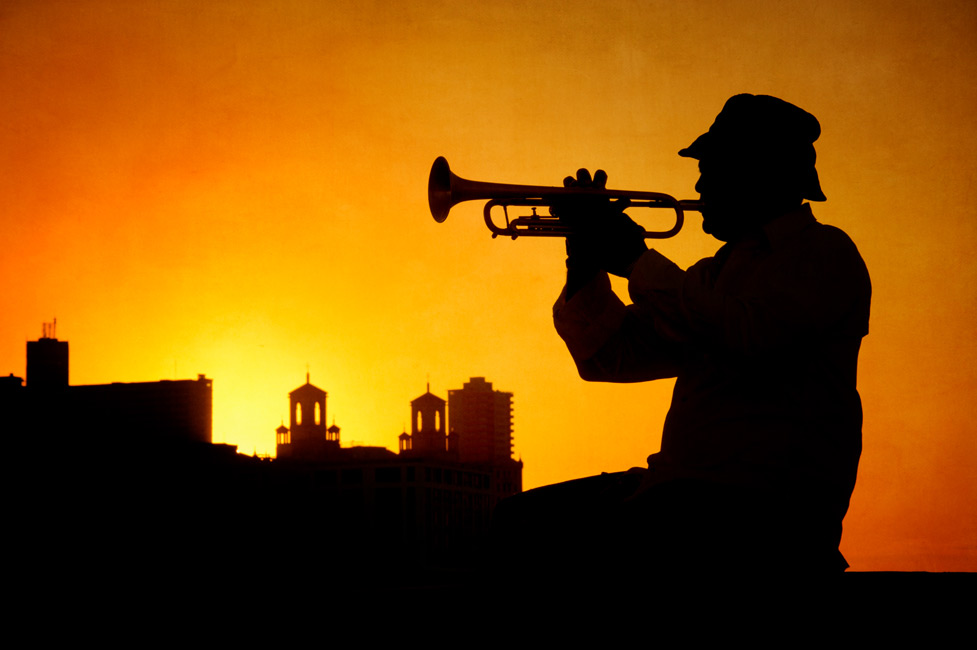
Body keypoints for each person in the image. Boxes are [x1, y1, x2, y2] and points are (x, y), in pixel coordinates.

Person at [496, 94, 871, 578]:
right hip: (686, 493)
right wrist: (584, 263)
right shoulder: (712, 276)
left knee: (549, 541)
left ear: (755, 172)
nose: (698, 184)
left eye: (711, 167)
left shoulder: (825, 254)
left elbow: (747, 335)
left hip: (761, 506)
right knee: (516, 519)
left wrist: (635, 259)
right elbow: (612, 358)